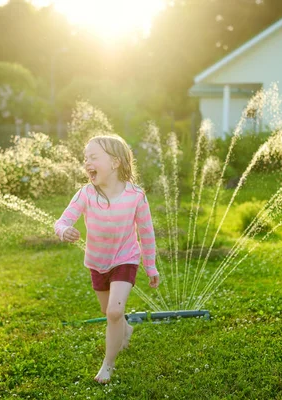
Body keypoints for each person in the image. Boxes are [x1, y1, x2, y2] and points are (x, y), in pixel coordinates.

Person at [54, 134, 160, 384]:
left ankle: (108, 365)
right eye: (85, 158)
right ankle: (126, 329)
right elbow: (62, 221)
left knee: (113, 311)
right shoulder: (86, 194)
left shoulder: (135, 195)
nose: (87, 162)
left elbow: (146, 233)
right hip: (97, 262)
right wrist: (63, 231)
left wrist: (150, 265)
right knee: (107, 310)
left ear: (115, 162)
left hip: (126, 258)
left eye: (93, 157)